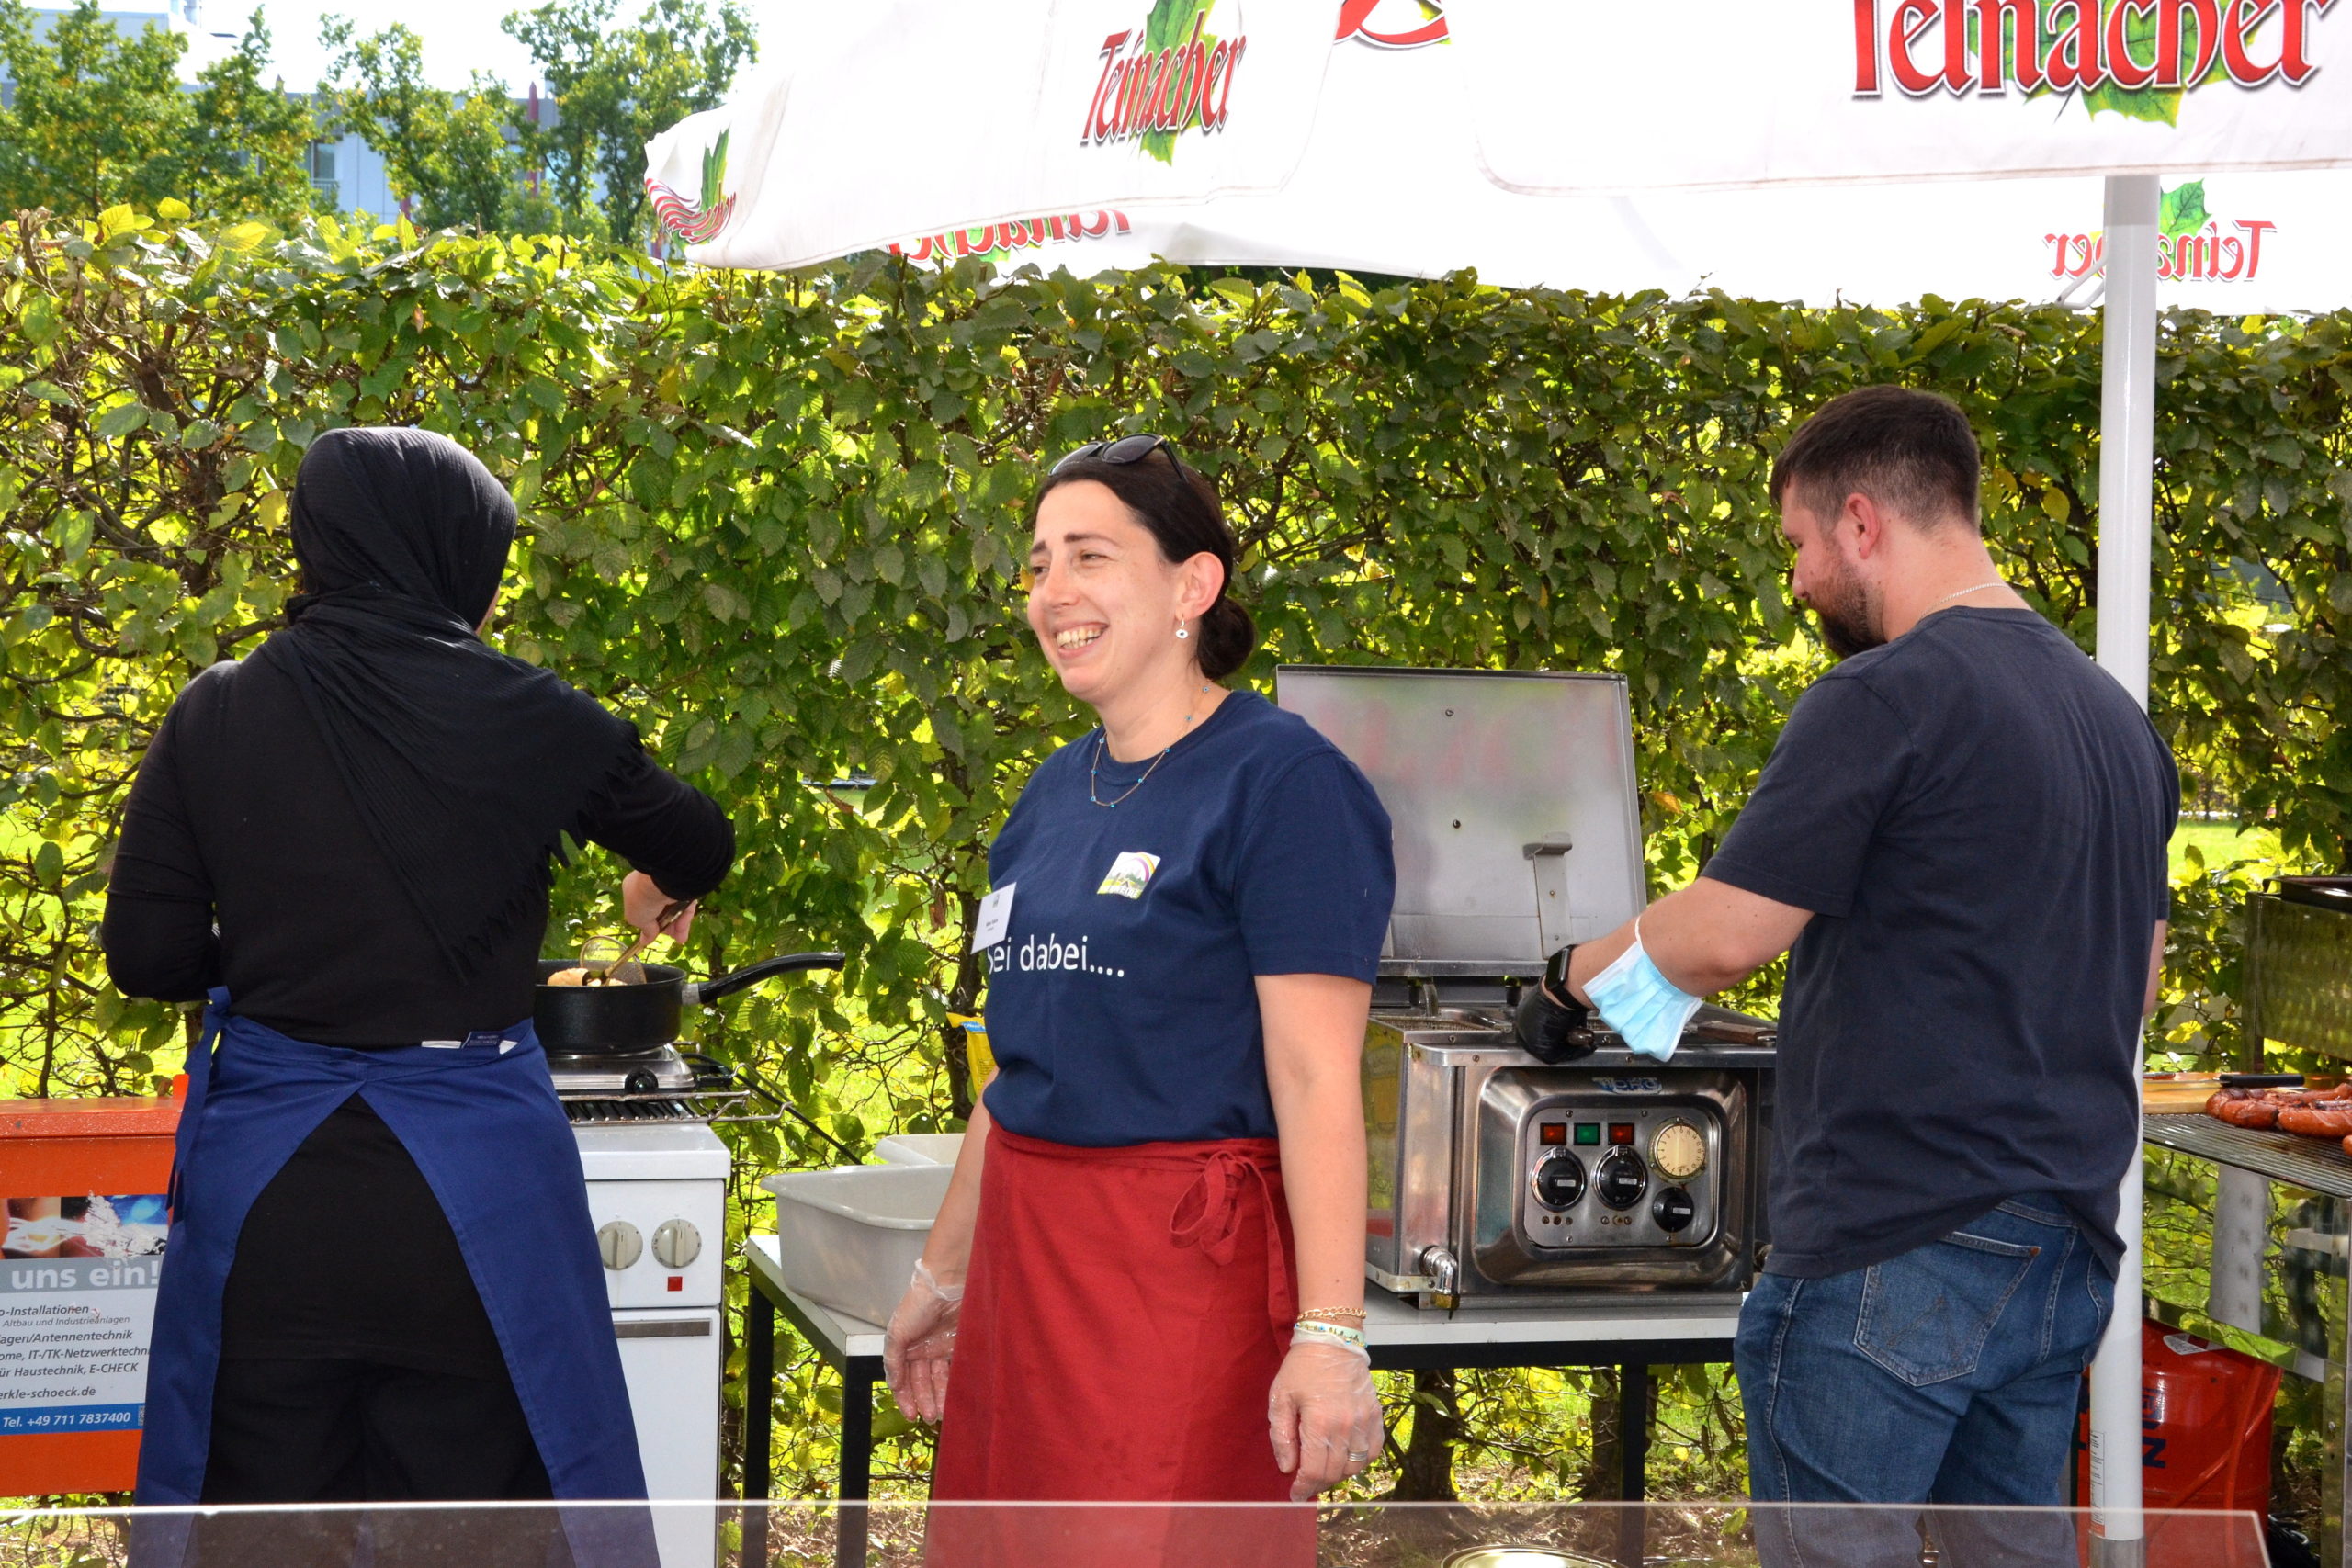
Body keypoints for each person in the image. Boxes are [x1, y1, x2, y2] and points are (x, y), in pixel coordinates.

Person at [1513, 387, 2175, 1559]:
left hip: (1896, 1232)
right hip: (2061, 1241)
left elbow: (1725, 934)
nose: (1800, 581)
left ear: (1861, 521)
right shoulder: (2116, 722)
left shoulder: (1885, 694)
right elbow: (2136, 985)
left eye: (1800, 545)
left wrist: (1571, 976)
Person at [101, 427, 733, 1555]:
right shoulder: (532, 714)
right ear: (451, 555)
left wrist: (280, 949)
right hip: (473, 1218)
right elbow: (699, 840)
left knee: (265, 1538)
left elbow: (146, 956)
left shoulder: (216, 710)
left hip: (274, 1217)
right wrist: (656, 883)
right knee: (468, 1534)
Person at [884, 434, 1395, 1563]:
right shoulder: (1050, 794)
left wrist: (1330, 1336)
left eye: (1090, 556)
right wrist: (940, 1276)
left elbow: (1318, 1078)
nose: (1052, 592)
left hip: (1177, 1286)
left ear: (1191, 585)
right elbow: (1018, 1075)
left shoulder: (1286, 784)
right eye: (1038, 565)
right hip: (1024, 1274)